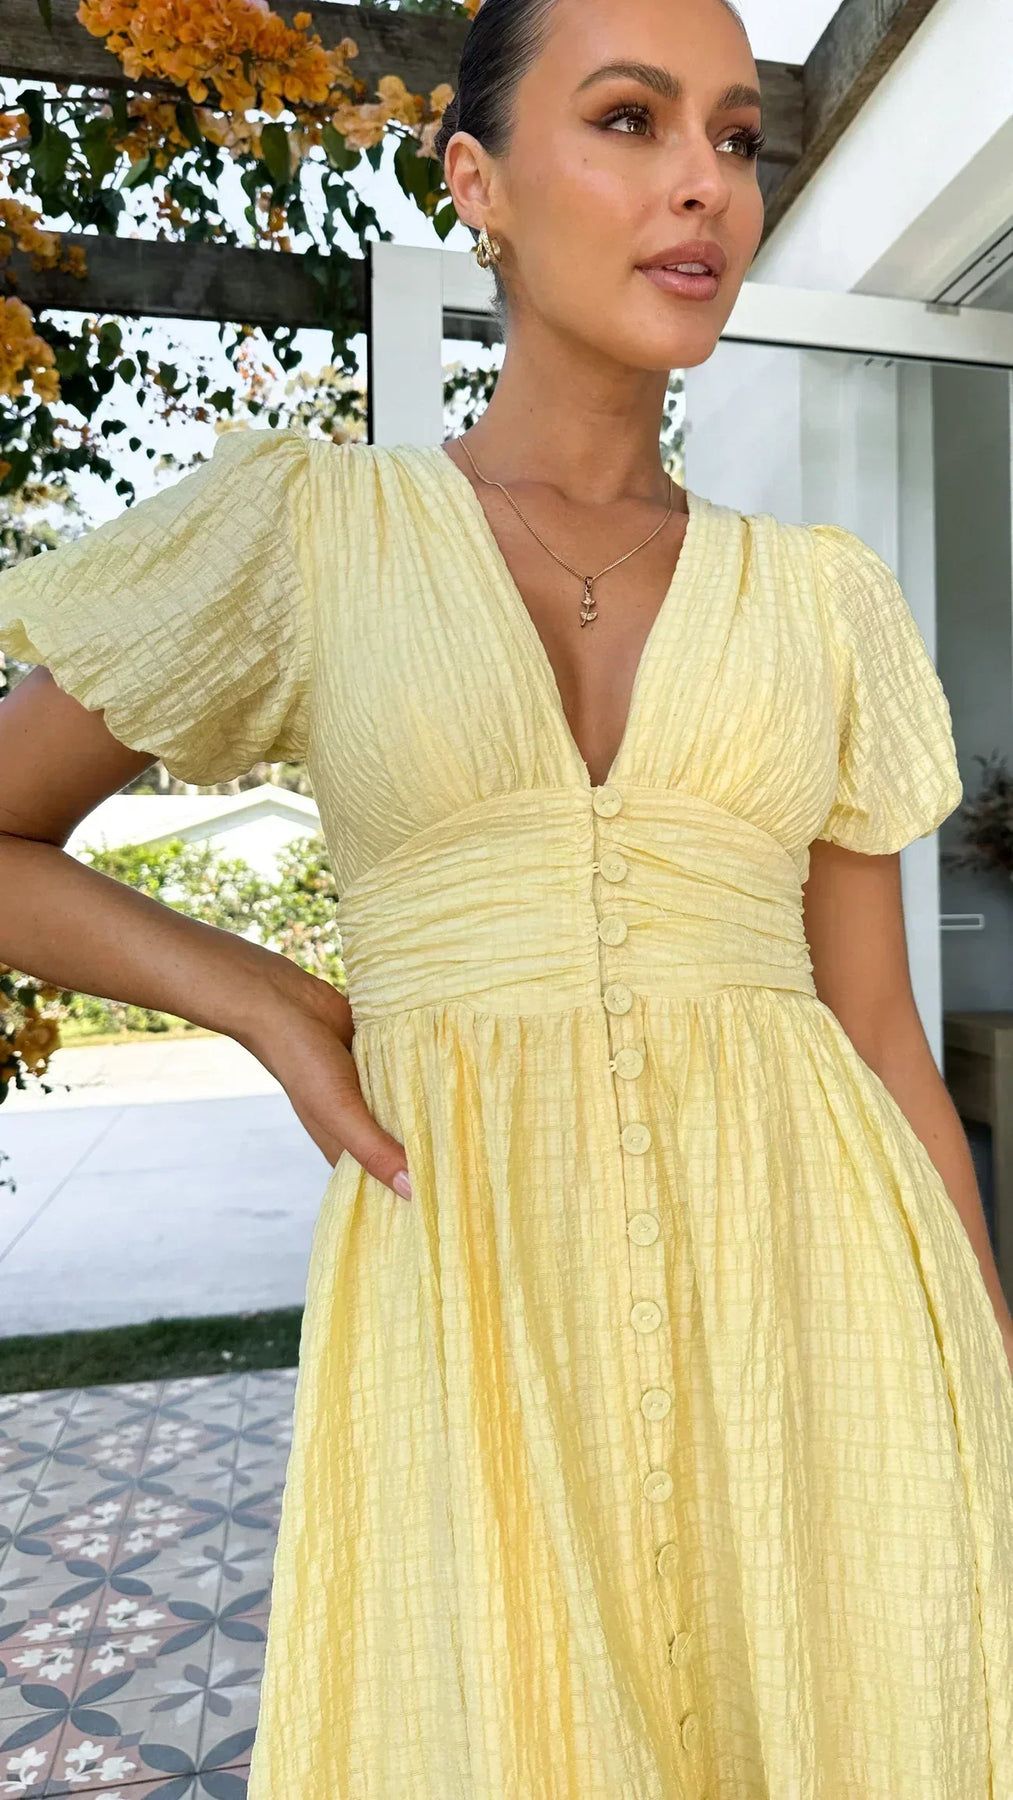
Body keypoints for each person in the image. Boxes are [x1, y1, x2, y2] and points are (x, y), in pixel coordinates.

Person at [1, 0, 1011, 1792]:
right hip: (470, 1290)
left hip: (814, 1303)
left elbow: (876, 1032)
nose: (702, 184)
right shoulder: (312, 534)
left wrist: (984, 1379)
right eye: (629, 119)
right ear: (474, 182)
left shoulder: (824, 597)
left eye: (735, 139)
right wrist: (259, 999)